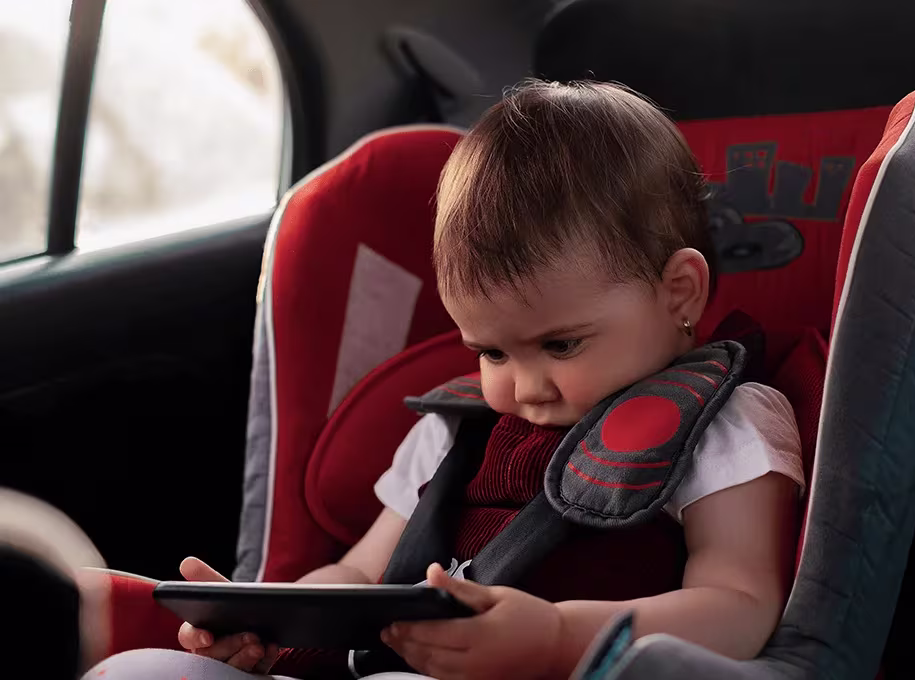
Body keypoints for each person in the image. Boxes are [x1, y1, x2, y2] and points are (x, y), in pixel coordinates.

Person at [82, 80, 803, 680]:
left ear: (679, 292)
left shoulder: (726, 424)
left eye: (560, 343)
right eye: (491, 353)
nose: (525, 387)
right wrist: (267, 620)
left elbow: (739, 605)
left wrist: (556, 638)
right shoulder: (452, 434)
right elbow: (361, 577)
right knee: (136, 672)